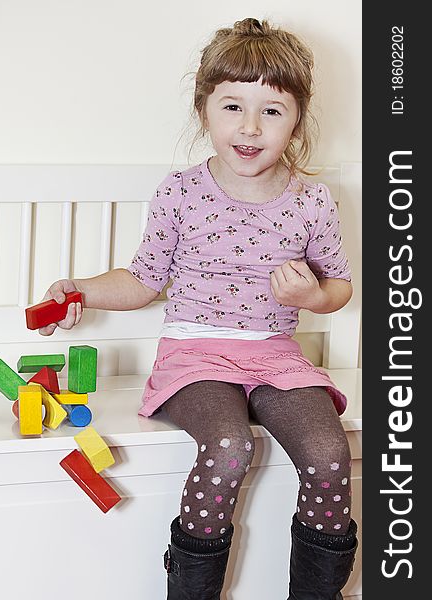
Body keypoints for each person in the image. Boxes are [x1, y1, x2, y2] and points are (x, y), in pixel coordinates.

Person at [40, 17, 358, 599]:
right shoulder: (181, 191)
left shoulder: (313, 200)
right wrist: (78, 288)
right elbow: (143, 279)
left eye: (272, 110)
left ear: (297, 119)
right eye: (233, 106)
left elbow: (339, 286)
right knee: (230, 446)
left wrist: (313, 297)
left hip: (275, 356)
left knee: (329, 452)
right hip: (196, 353)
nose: (251, 127)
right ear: (204, 110)